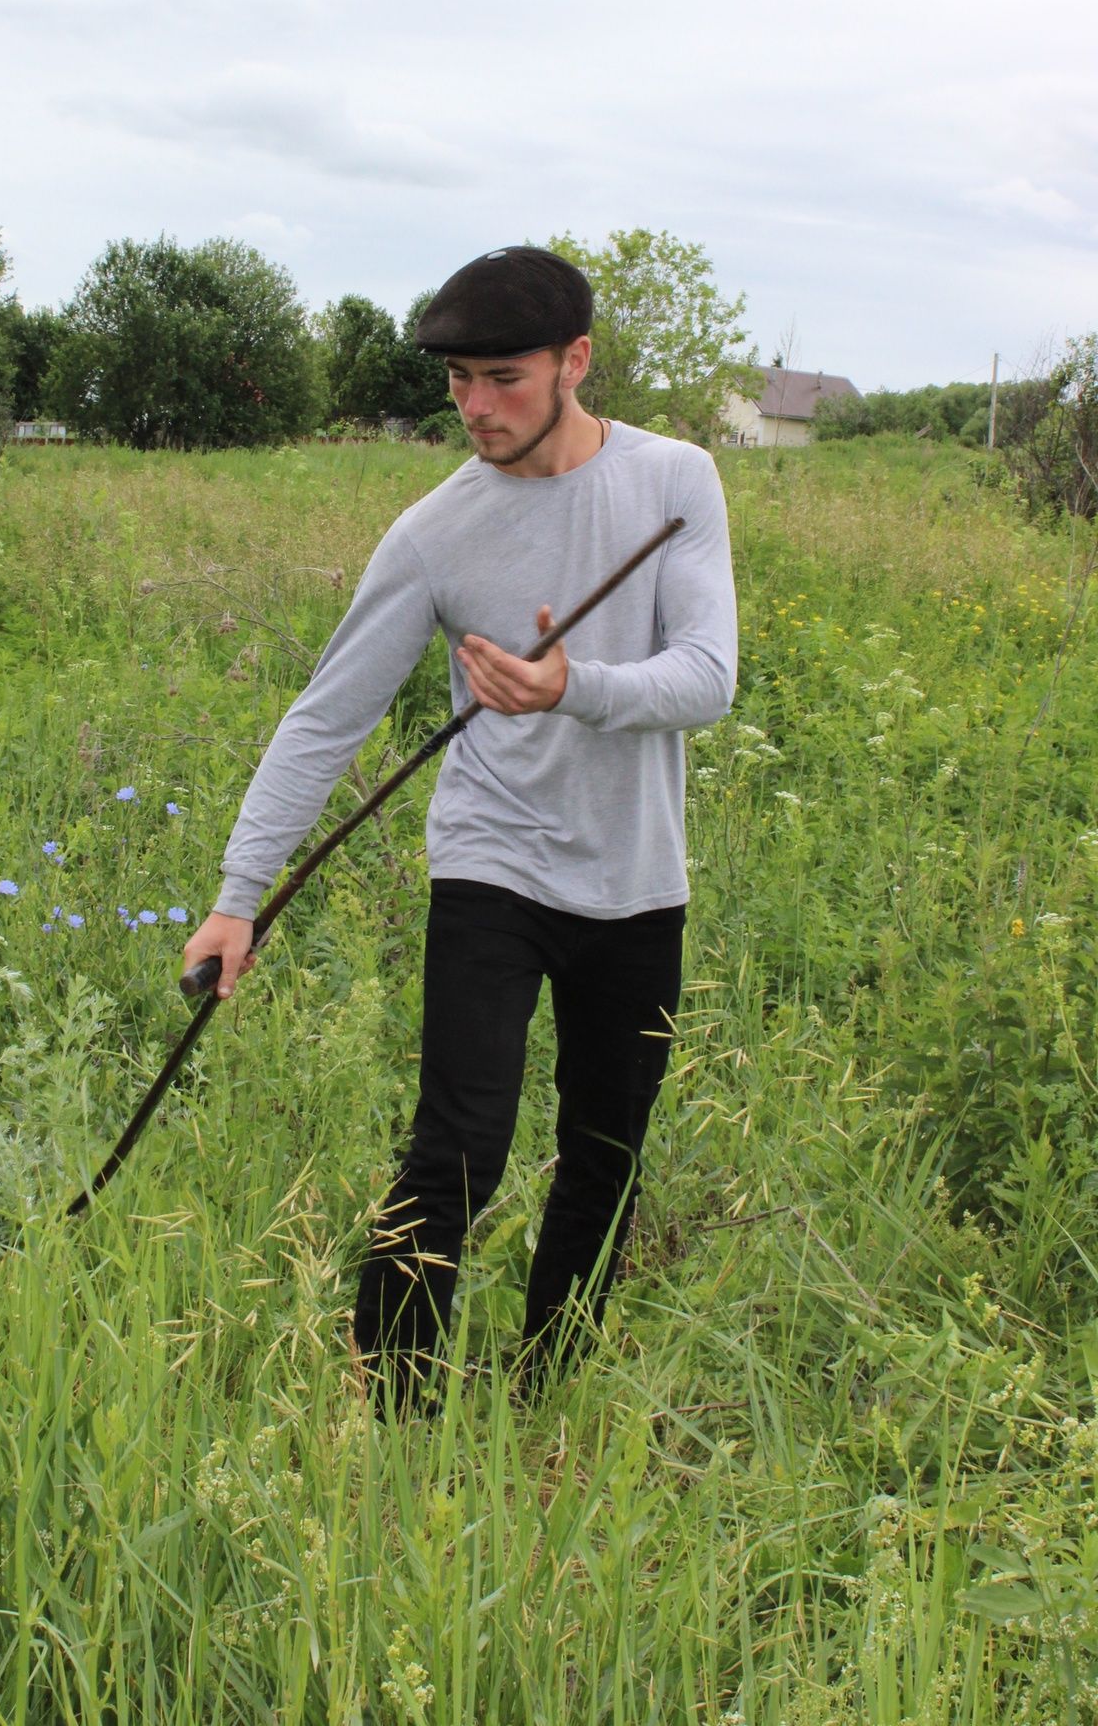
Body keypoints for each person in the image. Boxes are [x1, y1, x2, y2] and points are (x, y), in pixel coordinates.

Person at [182, 245, 738, 1401]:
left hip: (637, 878)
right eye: (457, 383)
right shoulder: (437, 530)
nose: (475, 408)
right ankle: (394, 1403)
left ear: (575, 362)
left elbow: (708, 678)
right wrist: (239, 899)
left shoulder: (675, 481)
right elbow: (326, 717)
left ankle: (545, 1388)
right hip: (491, 863)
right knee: (460, 1148)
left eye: (504, 380)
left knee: (605, 1153)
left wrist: (573, 686)